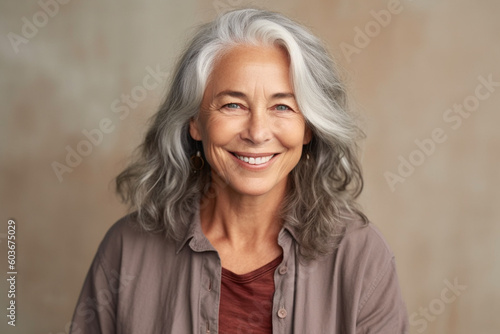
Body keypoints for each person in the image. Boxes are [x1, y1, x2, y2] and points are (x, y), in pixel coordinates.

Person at [70, 8, 408, 334]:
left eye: (282, 106)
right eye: (233, 104)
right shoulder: (126, 249)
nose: (257, 132)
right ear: (194, 123)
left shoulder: (362, 257)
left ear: (309, 128)